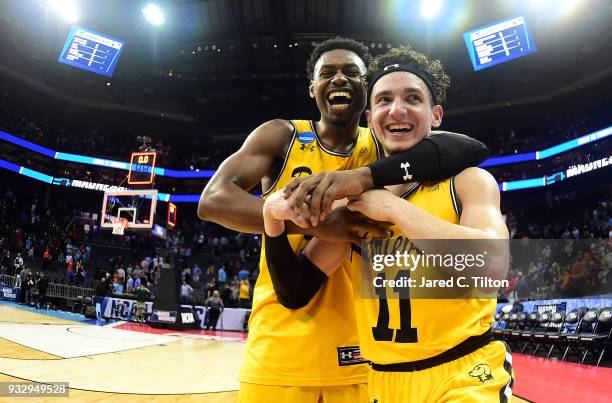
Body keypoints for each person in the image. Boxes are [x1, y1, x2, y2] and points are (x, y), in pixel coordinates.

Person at [198, 37, 489, 403]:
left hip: (364, 356)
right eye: (327, 73)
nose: (338, 80)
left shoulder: (384, 143)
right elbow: (212, 200)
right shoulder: (284, 135)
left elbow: (465, 148)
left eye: (352, 73)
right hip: (281, 344)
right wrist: (314, 223)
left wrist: (362, 178)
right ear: (312, 87)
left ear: (365, 92)